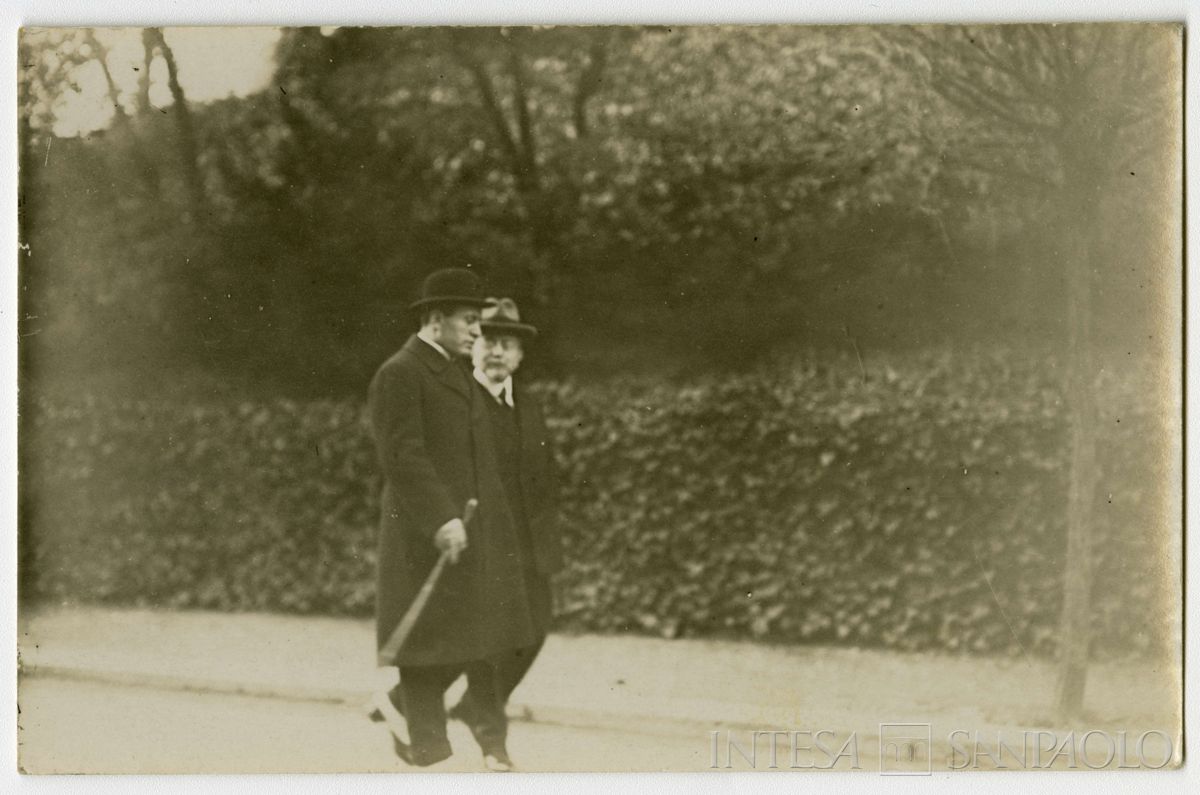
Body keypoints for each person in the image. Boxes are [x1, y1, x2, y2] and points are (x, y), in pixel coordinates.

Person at [367, 268, 539, 770]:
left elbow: (477, 459)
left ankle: (409, 728)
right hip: (424, 535)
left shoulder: (453, 372)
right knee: (431, 644)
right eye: (468, 320)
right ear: (436, 318)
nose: (475, 332)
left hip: (468, 530)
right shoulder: (401, 372)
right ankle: (423, 745)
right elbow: (403, 456)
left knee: (472, 635)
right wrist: (441, 518)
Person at [448, 298, 564, 737]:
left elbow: (545, 471)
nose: (497, 352)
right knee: (489, 638)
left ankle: (468, 706)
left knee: (535, 631)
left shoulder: (528, 405)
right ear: (472, 348)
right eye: (487, 342)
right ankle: (490, 732)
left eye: (507, 345)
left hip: (531, 542)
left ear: (519, 355)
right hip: (483, 541)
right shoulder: (457, 402)